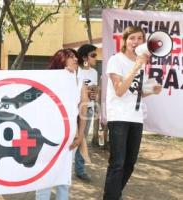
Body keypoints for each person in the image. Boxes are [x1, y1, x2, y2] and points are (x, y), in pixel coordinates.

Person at [103, 26, 162, 200]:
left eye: (139, 38)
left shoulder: (140, 62)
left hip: (136, 118)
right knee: (117, 163)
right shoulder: (116, 60)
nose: (135, 42)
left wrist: (152, 90)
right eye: (132, 38)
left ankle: (113, 194)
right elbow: (120, 90)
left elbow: (138, 91)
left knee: (129, 164)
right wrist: (136, 67)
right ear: (124, 40)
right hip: (119, 117)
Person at [35, 48, 89, 200]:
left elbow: (83, 109)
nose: (75, 59)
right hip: (47, 135)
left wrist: (80, 136)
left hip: (69, 137)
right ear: (61, 60)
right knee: (44, 177)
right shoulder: (47, 79)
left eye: (75, 57)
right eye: (71, 57)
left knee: (64, 180)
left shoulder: (79, 80)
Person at [75, 44, 98, 183]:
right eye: (93, 55)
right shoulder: (75, 71)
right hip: (73, 109)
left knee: (82, 140)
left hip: (87, 109)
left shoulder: (94, 72)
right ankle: (62, 169)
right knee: (70, 139)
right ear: (84, 57)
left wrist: (94, 93)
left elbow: (93, 91)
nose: (96, 58)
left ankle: (80, 170)